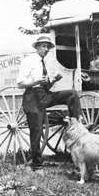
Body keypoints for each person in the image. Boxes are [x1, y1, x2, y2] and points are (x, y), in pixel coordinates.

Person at [17, 35, 81, 167]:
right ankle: (36, 162)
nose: (46, 49)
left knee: (72, 94)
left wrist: (53, 80)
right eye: (43, 46)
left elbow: (45, 86)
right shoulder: (28, 61)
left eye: (47, 47)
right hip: (32, 98)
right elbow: (20, 83)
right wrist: (36, 81)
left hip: (44, 95)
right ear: (37, 47)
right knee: (37, 130)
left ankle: (76, 124)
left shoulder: (44, 62)